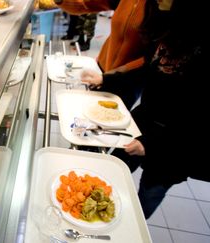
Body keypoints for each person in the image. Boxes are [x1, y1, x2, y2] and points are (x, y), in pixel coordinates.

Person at [81, 0, 207, 218]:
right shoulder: (168, 27)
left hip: (176, 144)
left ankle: (133, 222)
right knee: (114, 169)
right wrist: (107, 78)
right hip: (146, 119)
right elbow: (148, 67)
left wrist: (151, 144)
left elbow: (197, 117)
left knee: (150, 191)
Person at [54, 0, 147, 73]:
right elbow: (87, 4)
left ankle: (86, 42)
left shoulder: (158, 6)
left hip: (128, 78)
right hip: (104, 67)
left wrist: (119, 72)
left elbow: (155, 56)